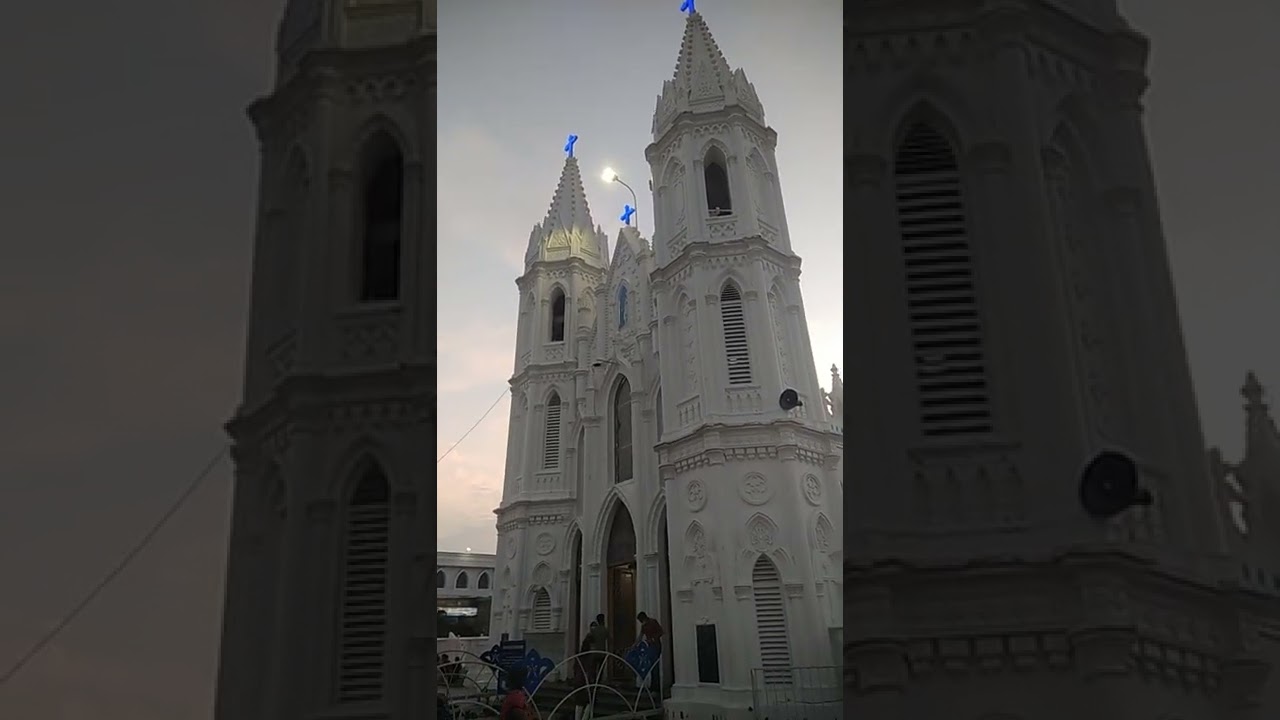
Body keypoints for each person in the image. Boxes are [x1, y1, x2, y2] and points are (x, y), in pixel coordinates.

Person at [636, 612, 664, 691]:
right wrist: (635, 645)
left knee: (655, 667)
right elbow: (640, 636)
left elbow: (661, 632)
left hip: (656, 646)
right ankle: (653, 686)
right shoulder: (643, 626)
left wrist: (653, 638)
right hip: (649, 647)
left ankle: (656, 687)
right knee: (651, 666)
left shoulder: (653, 622)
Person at [572, 636, 594, 720]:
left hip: (579, 682)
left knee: (579, 703)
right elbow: (590, 671)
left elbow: (575, 669)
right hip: (585, 682)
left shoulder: (580, 656)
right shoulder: (589, 658)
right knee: (589, 701)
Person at [589, 615, 609, 679]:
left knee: (593, 668)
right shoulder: (605, 630)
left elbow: (590, 640)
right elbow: (610, 639)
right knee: (601, 669)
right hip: (602, 652)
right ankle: (598, 682)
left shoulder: (594, 630)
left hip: (594, 652)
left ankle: (593, 681)